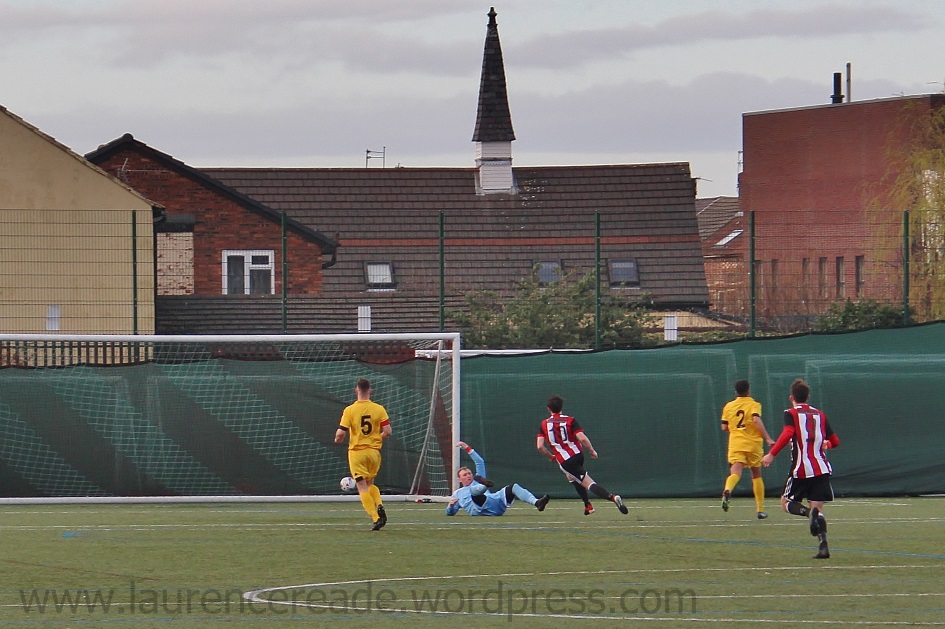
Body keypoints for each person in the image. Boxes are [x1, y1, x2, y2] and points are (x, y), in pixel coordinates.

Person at [762, 378, 840, 559]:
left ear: (792, 398)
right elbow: (835, 441)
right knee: (818, 508)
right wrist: (826, 444)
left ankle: (807, 513)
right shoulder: (820, 415)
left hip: (801, 468)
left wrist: (771, 454)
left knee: (785, 503)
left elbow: (788, 433)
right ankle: (823, 546)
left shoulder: (790, 413)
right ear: (808, 397)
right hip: (821, 468)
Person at [536, 394, 628, 515]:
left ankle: (612, 497)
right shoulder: (570, 420)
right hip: (578, 455)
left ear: (549, 409)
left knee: (588, 483)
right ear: (561, 407)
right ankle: (587, 505)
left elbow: (540, 446)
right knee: (571, 477)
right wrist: (591, 450)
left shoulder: (544, 424)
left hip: (565, 460)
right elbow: (582, 438)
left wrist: (551, 457)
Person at [335, 377, 391, 530]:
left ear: (356, 391)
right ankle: (379, 504)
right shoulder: (379, 409)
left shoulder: (350, 410)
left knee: (361, 486)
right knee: (370, 484)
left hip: (357, 452)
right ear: (370, 390)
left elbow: (341, 433)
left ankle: (375, 517)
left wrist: (338, 439)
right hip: (373, 452)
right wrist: (376, 439)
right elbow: (387, 431)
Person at [719, 379, 776, 519]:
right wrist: (768, 438)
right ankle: (760, 510)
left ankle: (728, 490)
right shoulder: (754, 404)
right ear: (748, 390)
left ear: (736, 391)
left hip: (736, 443)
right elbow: (756, 420)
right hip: (752, 444)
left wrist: (736, 429)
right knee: (756, 474)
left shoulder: (729, 406)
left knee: (735, 473)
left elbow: (724, 427)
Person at [446, 441, 549, 516]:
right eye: (465, 475)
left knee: (514, 487)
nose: (468, 475)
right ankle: (485, 486)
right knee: (473, 491)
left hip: (494, 502)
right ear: (459, 479)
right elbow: (450, 513)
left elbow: (479, 462)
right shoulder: (458, 493)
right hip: (480, 508)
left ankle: (537, 503)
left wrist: (467, 448)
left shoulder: (476, 480)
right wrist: (450, 506)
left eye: (469, 473)